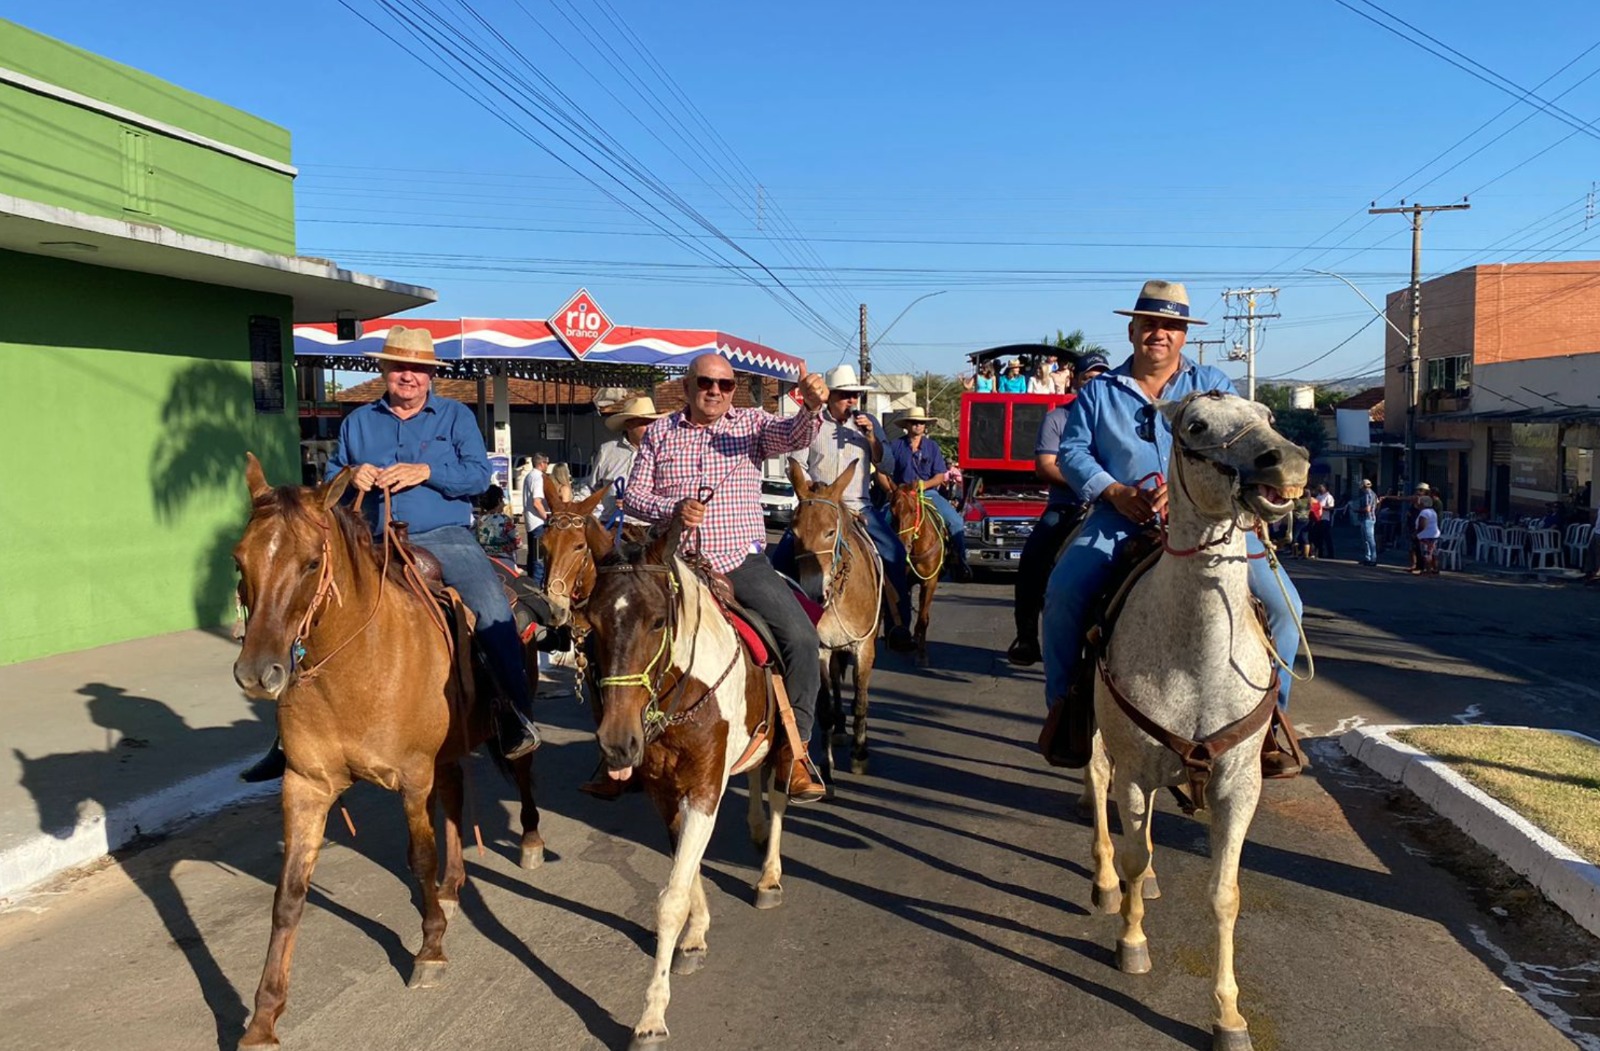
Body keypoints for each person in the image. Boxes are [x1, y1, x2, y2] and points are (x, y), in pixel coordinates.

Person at [242, 326, 541, 783]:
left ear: (430, 375)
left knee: (492, 609)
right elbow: (332, 483)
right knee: (307, 612)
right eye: (400, 367)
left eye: (418, 369)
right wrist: (352, 474)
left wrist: (428, 470)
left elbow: (479, 477)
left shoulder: (455, 417)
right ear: (385, 370)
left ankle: (512, 718)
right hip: (368, 540)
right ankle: (287, 738)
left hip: (444, 535)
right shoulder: (358, 422)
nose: (409, 376)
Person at [1042, 280, 1304, 721]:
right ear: (1132, 331)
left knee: (1286, 608)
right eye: (1149, 324)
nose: (1158, 334)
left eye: (1170, 326)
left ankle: (1272, 722)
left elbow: (1236, 440)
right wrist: (1115, 491)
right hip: (1121, 518)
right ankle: (1067, 712)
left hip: (1212, 522)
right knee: (1063, 594)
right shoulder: (1099, 391)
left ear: (1184, 335)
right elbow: (1072, 452)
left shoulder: (1212, 385)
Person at [624, 352, 832, 802]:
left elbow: (791, 434)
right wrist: (672, 510)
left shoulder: (751, 425)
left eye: (725, 384)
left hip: (739, 561)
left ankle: (793, 753)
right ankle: (618, 751)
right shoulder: (660, 432)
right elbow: (635, 498)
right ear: (687, 386)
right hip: (673, 564)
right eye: (705, 383)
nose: (715, 391)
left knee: (801, 639)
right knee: (617, 634)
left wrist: (813, 407)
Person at [769, 364, 916, 653]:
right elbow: (796, 464)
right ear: (830, 396)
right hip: (818, 507)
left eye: (855, 396)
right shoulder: (812, 423)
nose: (852, 401)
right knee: (781, 560)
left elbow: (887, 466)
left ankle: (899, 625)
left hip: (857, 506)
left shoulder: (867, 423)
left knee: (895, 553)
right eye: (845, 395)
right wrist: (815, 495)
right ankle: (779, 623)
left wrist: (872, 438)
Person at [1007, 352, 1110, 666]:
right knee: (1033, 559)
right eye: (1089, 378)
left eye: (1102, 379)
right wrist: (1093, 483)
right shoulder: (1057, 418)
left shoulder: (1118, 420)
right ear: (1075, 382)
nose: (1096, 384)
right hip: (1069, 505)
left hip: (1117, 506)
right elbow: (1045, 467)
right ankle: (1026, 635)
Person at [882, 405, 974, 582]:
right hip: (903, 495)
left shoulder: (932, 447)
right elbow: (884, 471)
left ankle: (961, 562)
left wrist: (923, 486)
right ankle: (877, 563)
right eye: (914, 422)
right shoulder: (895, 446)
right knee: (881, 520)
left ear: (925, 426)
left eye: (921, 423)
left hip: (929, 493)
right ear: (906, 425)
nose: (918, 426)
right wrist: (891, 491)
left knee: (956, 521)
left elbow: (940, 476)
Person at [575, 395, 667, 526]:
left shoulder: (665, 453)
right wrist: (575, 505)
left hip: (649, 528)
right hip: (612, 525)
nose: (651, 428)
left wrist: (633, 503)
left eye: (653, 423)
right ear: (629, 425)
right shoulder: (607, 450)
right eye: (644, 423)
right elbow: (592, 487)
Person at [521, 452, 550, 583]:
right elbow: (536, 502)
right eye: (547, 463)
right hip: (538, 522)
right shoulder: (538, 478)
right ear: (541, 463)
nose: (548, 465)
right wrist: (547, 518)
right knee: (539, 559)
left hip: (529, 521)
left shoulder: (529, 476)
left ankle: (530, 582)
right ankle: (537, 588)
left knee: (532, 556)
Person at [474, 484, 519, 561]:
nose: (504, 504)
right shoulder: (505, 520)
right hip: (504, 561)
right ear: (499, 500)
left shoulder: (477, 521)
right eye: (502, 499)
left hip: (484, 561)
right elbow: (518, 543)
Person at [1414, 492, 1441, 575]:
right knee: (1434, 553)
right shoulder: (1433, 511)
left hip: (1426, 536)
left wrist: (1416, 533)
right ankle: (1435, 569)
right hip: (1434, 534)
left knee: (1426, 553)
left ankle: (1428, 571)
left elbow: (1422, 525)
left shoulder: (1424, 512)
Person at [1354, 478, 1379, 565]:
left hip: (1367, 518)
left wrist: (1357, 510)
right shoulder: (1373, 494)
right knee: (1366, 539)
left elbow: (1367, 509)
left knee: (1369, 539)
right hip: (1369, 518)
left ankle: (1372, 559)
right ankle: (1368, 558)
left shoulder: (1368, 494)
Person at [1313, 484, 1336, 559]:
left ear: (1325, 488)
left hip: (1325, 519)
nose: (1320, 488)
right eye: (1319, 487)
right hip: (1318, 519)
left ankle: (1330, 553)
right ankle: (1320, 552)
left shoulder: (1328, 497)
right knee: (1318, 536)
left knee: (1327, 537)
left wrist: (1322, 507)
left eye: (1321, 487)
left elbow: (1331, 507)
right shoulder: (1318, 496)